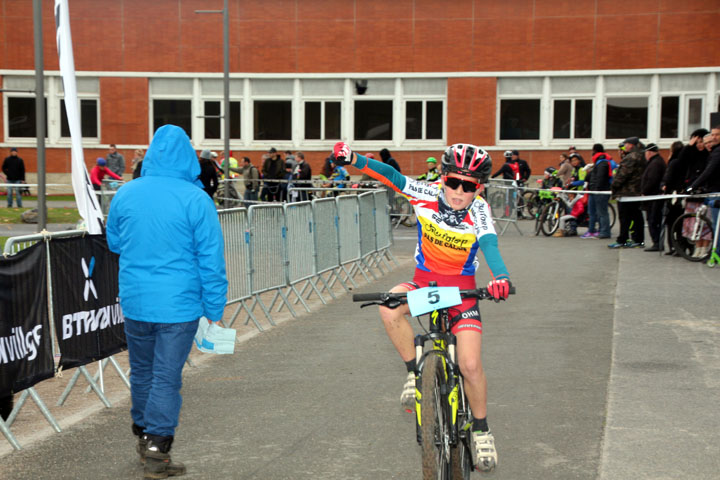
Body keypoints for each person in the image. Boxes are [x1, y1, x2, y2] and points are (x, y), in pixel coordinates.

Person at [332, 141, 511, 472]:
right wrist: (354, 159)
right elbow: (391, 176)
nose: (458, 191)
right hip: (424, 282)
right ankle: (415, 374)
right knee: (388, 306)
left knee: (470, 365)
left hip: (461, 293)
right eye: (453, 182)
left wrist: (500, 276)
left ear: (479, 187)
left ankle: (482, 429)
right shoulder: (425, 193)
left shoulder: (479, 210)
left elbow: (489, 243)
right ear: (442, 177)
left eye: (468, 185)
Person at [106, 125, 228, 479]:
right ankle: (159, 446)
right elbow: (211, 260)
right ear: (188, 156)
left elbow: (115, 242)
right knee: (166, 376)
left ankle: (144, 434)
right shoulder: (196, 199)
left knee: (142, 370)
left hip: (135, 299)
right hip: (179, 302)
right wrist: (215, 309)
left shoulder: (126, 194)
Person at [608, 137, 647, 249]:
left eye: (626, 144)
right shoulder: (642, 156)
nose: (624, 146)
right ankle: (639, 240)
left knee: (625, 218)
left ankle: (622, 240)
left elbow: (622, 175)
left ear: (631, 145)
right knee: (637, 217)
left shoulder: (631, 157)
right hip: (636, 192)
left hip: (627, 192)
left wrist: (614, 186)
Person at [659, 140, 686, 255]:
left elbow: (668, 178)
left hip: (673, 195)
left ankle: (673, 246)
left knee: (671, 223)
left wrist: (664, 186)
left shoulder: (673, 162)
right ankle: (680, 246)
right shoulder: (685, 162)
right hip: (681, 195)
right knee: (680, 223)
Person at [581, 144, 613, 239]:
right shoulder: (598, 162)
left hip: (599, 191)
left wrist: (597, 188)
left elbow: (601, 177)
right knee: (593, 212)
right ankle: (595, 230)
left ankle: (605, 232)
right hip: (594, 191)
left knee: (602, 213)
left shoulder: (602, 163)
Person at [640, 143, 666, 252]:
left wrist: (644, 191)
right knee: (653, 219)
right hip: (653, 196)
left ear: (649, 152)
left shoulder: (655, 163)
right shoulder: (656, 162)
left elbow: (652, 180)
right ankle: (657, 242)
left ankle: (657, 242)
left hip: (653, 197)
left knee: (653, 219)